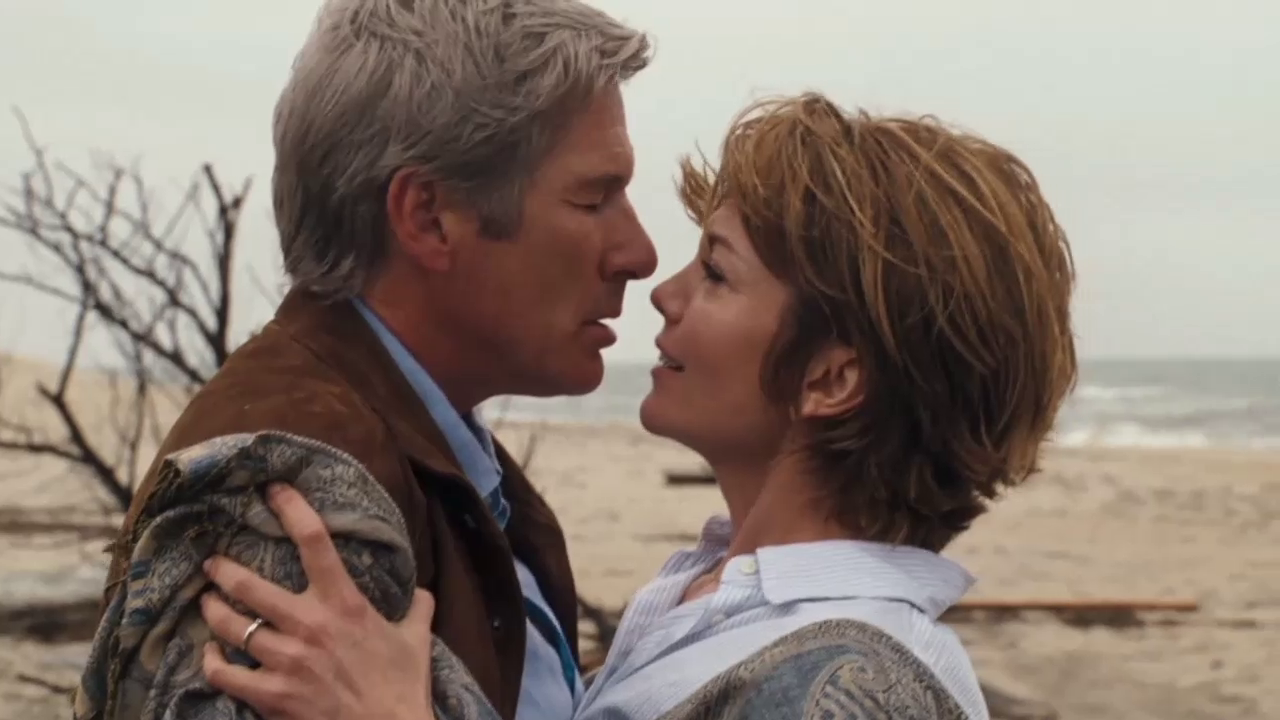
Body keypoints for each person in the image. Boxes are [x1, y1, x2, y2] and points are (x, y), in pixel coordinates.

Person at [191, 92, 1078, 720]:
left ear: (831, 380)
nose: (665, 290)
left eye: (717, 273)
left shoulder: (853, 687)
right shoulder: (718, 602)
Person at [76, 1, 656, 719]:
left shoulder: (436, 457)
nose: (639, 254)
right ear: (427, 217)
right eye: (594, 200)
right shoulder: (292, 495)